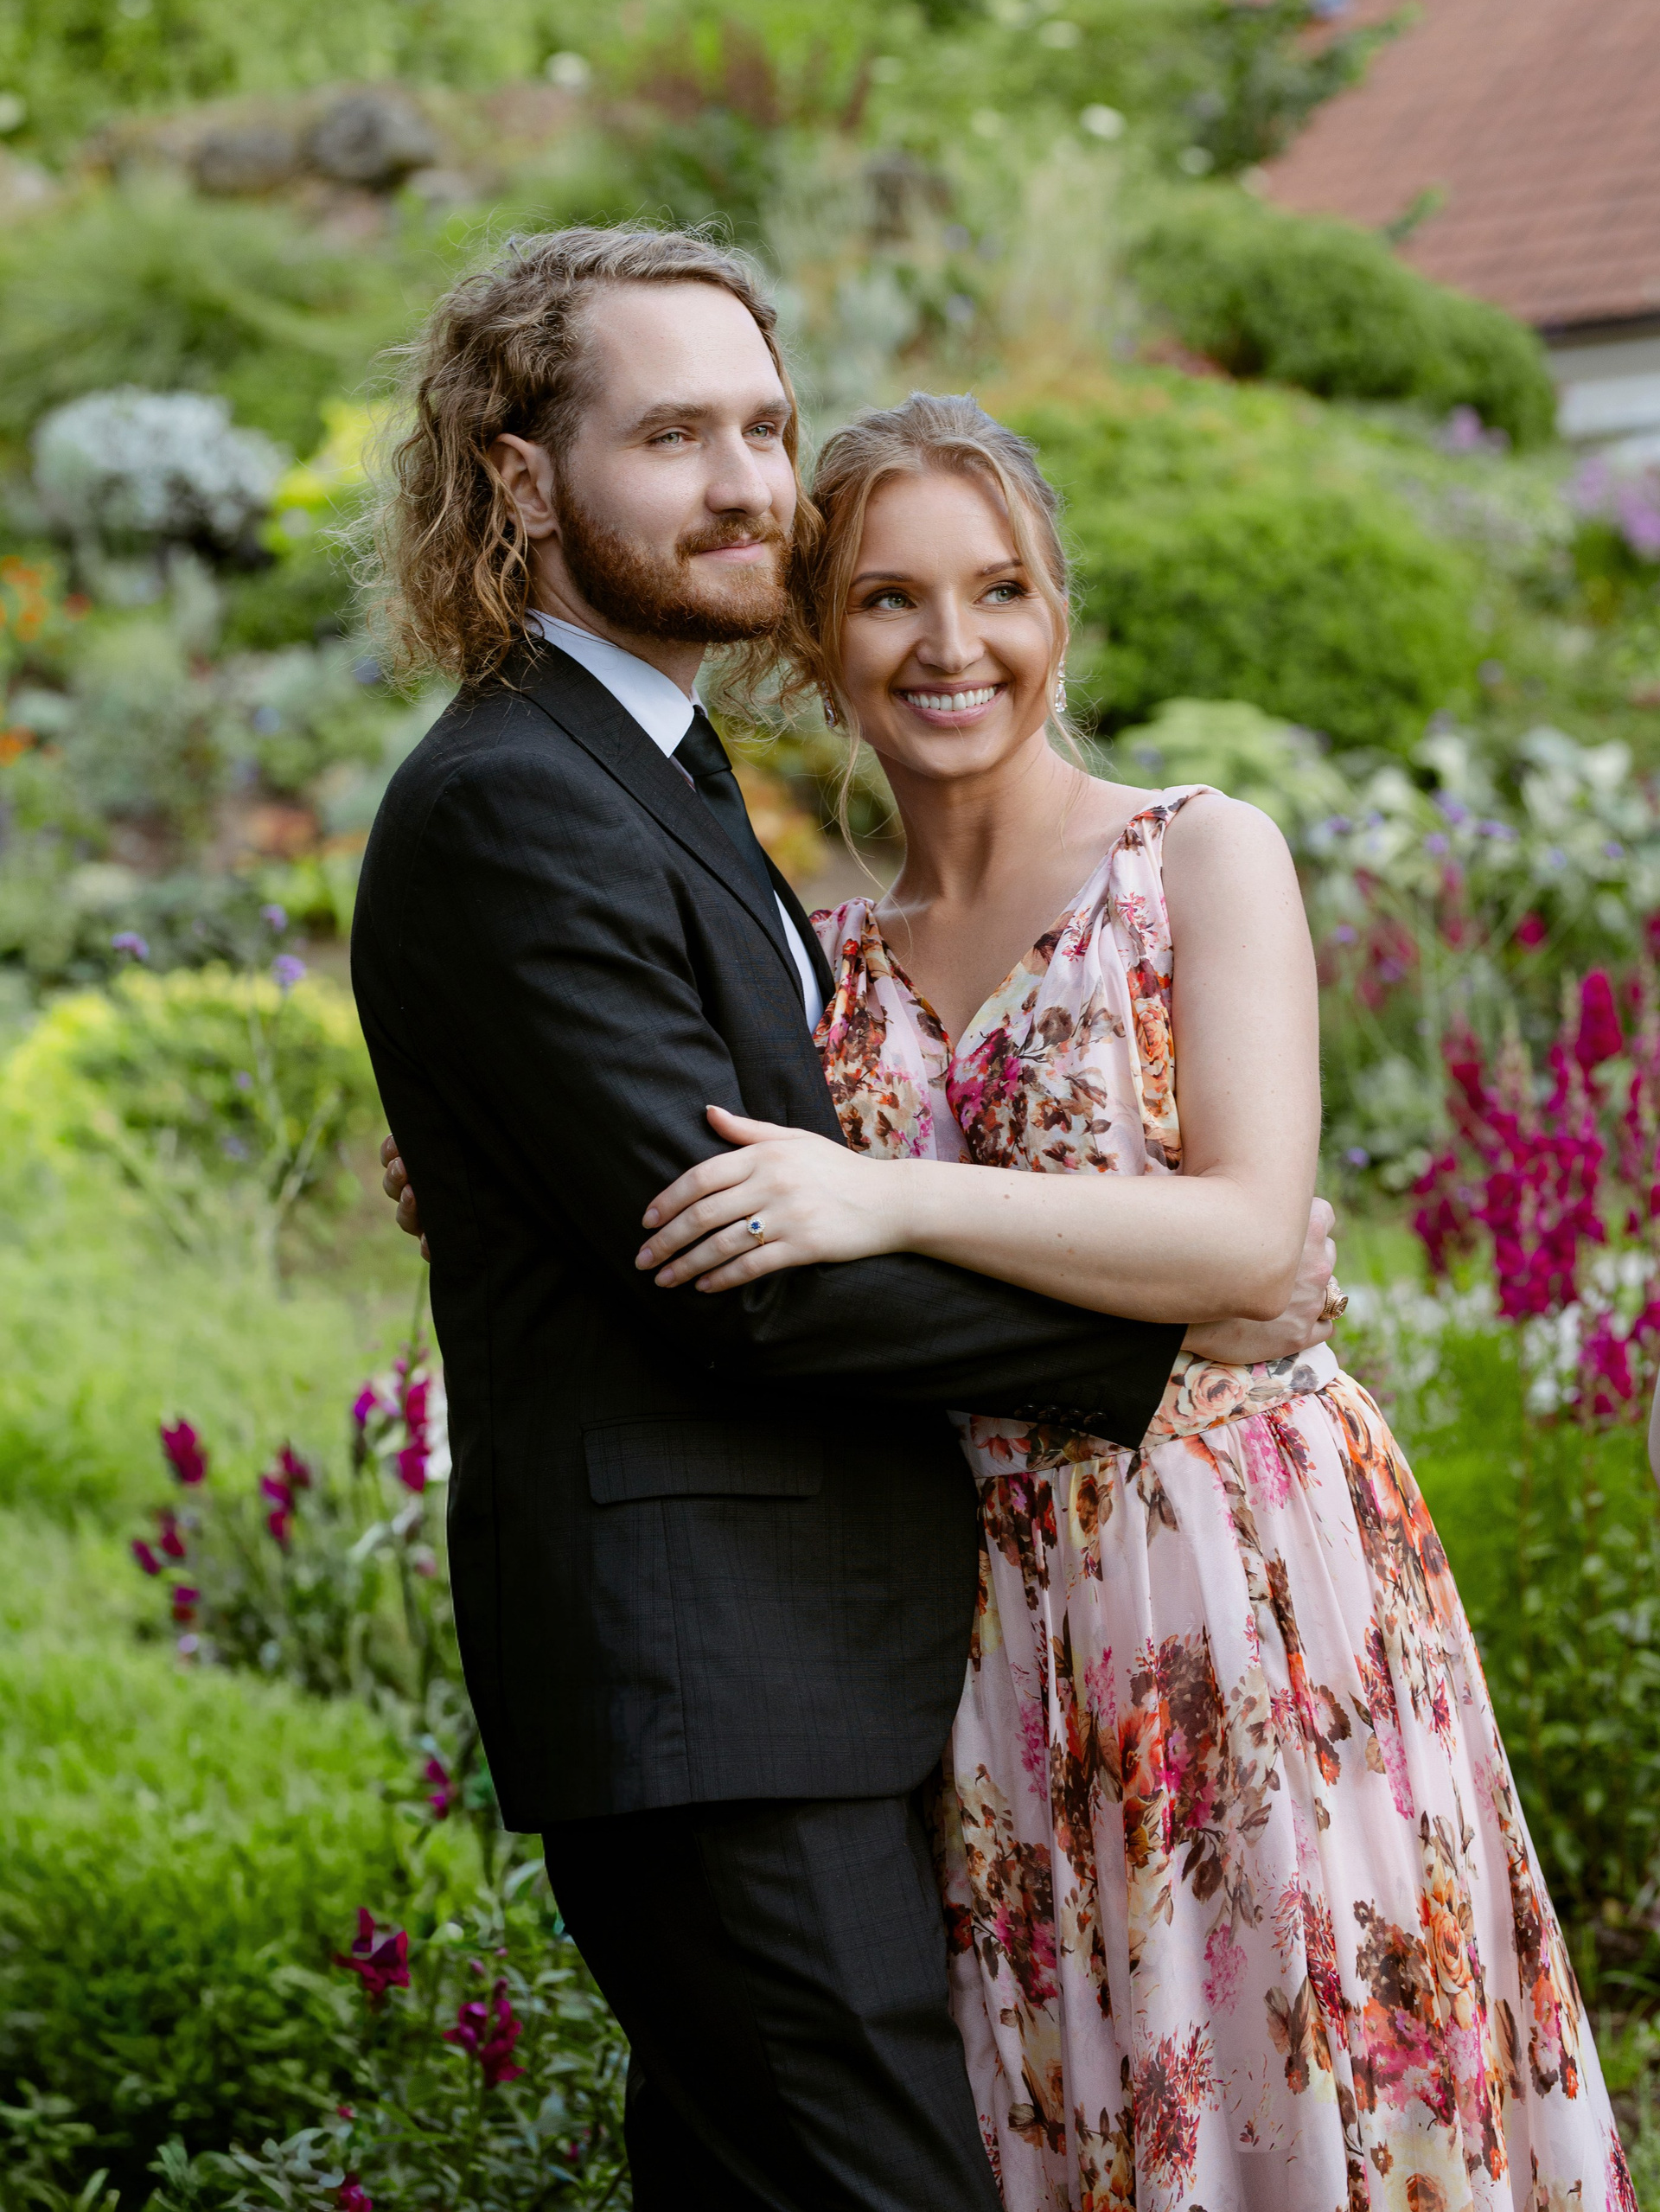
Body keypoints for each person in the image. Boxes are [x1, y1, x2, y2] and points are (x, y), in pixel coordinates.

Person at [354, 228, 1335, 2212]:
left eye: (763, 427)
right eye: (673, 436)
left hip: (854, 1668)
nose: (744, 484)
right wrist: (1170, 1332)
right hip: (719, 1688)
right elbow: (748, 1281)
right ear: (522, 477)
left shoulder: (660, 771)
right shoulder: (520, 796)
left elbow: (731, 1161)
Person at [629, 393, 1635, 2212]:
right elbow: (691, 1188)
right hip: (980, 1614)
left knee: (1301, 2071)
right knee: (1080, 2107)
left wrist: (885, 1196)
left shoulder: (1193, 857)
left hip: (1242, 1571)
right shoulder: (817, 960)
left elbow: (1247, 1242)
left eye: (1000, 589)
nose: (951, 645)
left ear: (1059, 611)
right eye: (888, 598)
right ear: (814, 636)